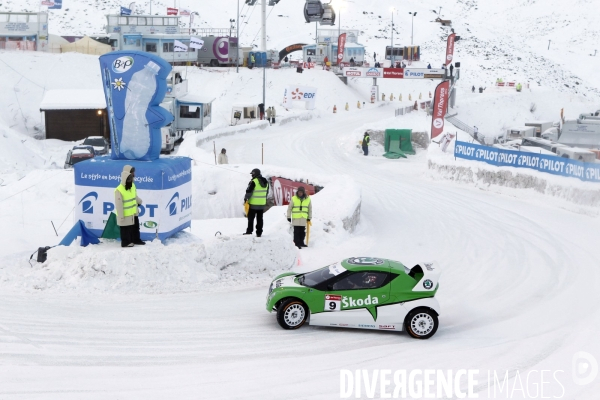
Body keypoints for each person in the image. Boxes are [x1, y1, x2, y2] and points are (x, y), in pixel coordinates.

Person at [114, 165, 144, 247]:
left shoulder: (132, 185)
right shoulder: (119, 189)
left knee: (135, 227)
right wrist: (121, 216)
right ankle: (126, 242)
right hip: (125, 213)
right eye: (132, 173)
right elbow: (119, 205)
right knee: (125, 229)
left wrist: (139, 201)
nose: (134, 175)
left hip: (133, 212)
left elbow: (134, 196)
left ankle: (136, 239)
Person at [244, 168, 269, 237]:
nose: (251, 175)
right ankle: (259, 233)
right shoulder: (266, 182)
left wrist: (246, 199)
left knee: (251, 218)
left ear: (255, 174)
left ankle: (249, 231)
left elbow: (249, 191)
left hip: (253, 204)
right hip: (262, 204)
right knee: (260, 219)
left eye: (252, 174)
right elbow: (267, 193)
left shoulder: (254, 181)